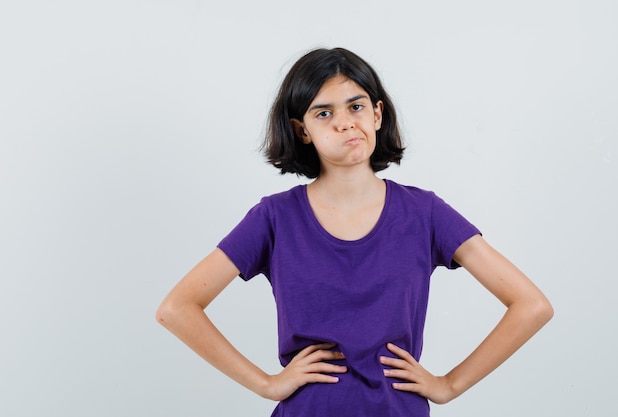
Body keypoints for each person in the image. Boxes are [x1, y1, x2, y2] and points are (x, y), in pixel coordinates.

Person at [156, 47, 553, 417]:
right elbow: (178, 308)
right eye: (323, 113)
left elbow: (530, 305)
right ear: (302, 130)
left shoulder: (424, 213)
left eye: (356, 106)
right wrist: (265, 384)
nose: (345, 121)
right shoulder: (274, 218)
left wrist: (449, 385)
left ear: (377, 115)